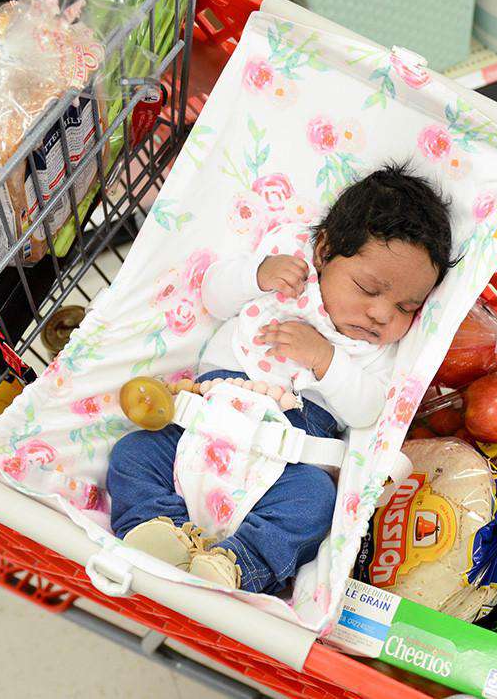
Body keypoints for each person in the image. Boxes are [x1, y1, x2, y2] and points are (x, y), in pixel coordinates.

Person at [107, 164, 455, 593]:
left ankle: (237, 563)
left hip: (284, 466)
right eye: (367, 289)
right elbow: (213, 297)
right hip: (201, 430)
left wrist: (326, 359)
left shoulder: (374, 351)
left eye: (407, 308)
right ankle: (159, 531)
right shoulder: (286, 273)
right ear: (324, 252)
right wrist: (256, 274)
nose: (382, 314)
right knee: (135, 452)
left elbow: (367, 410)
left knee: (315, 501)